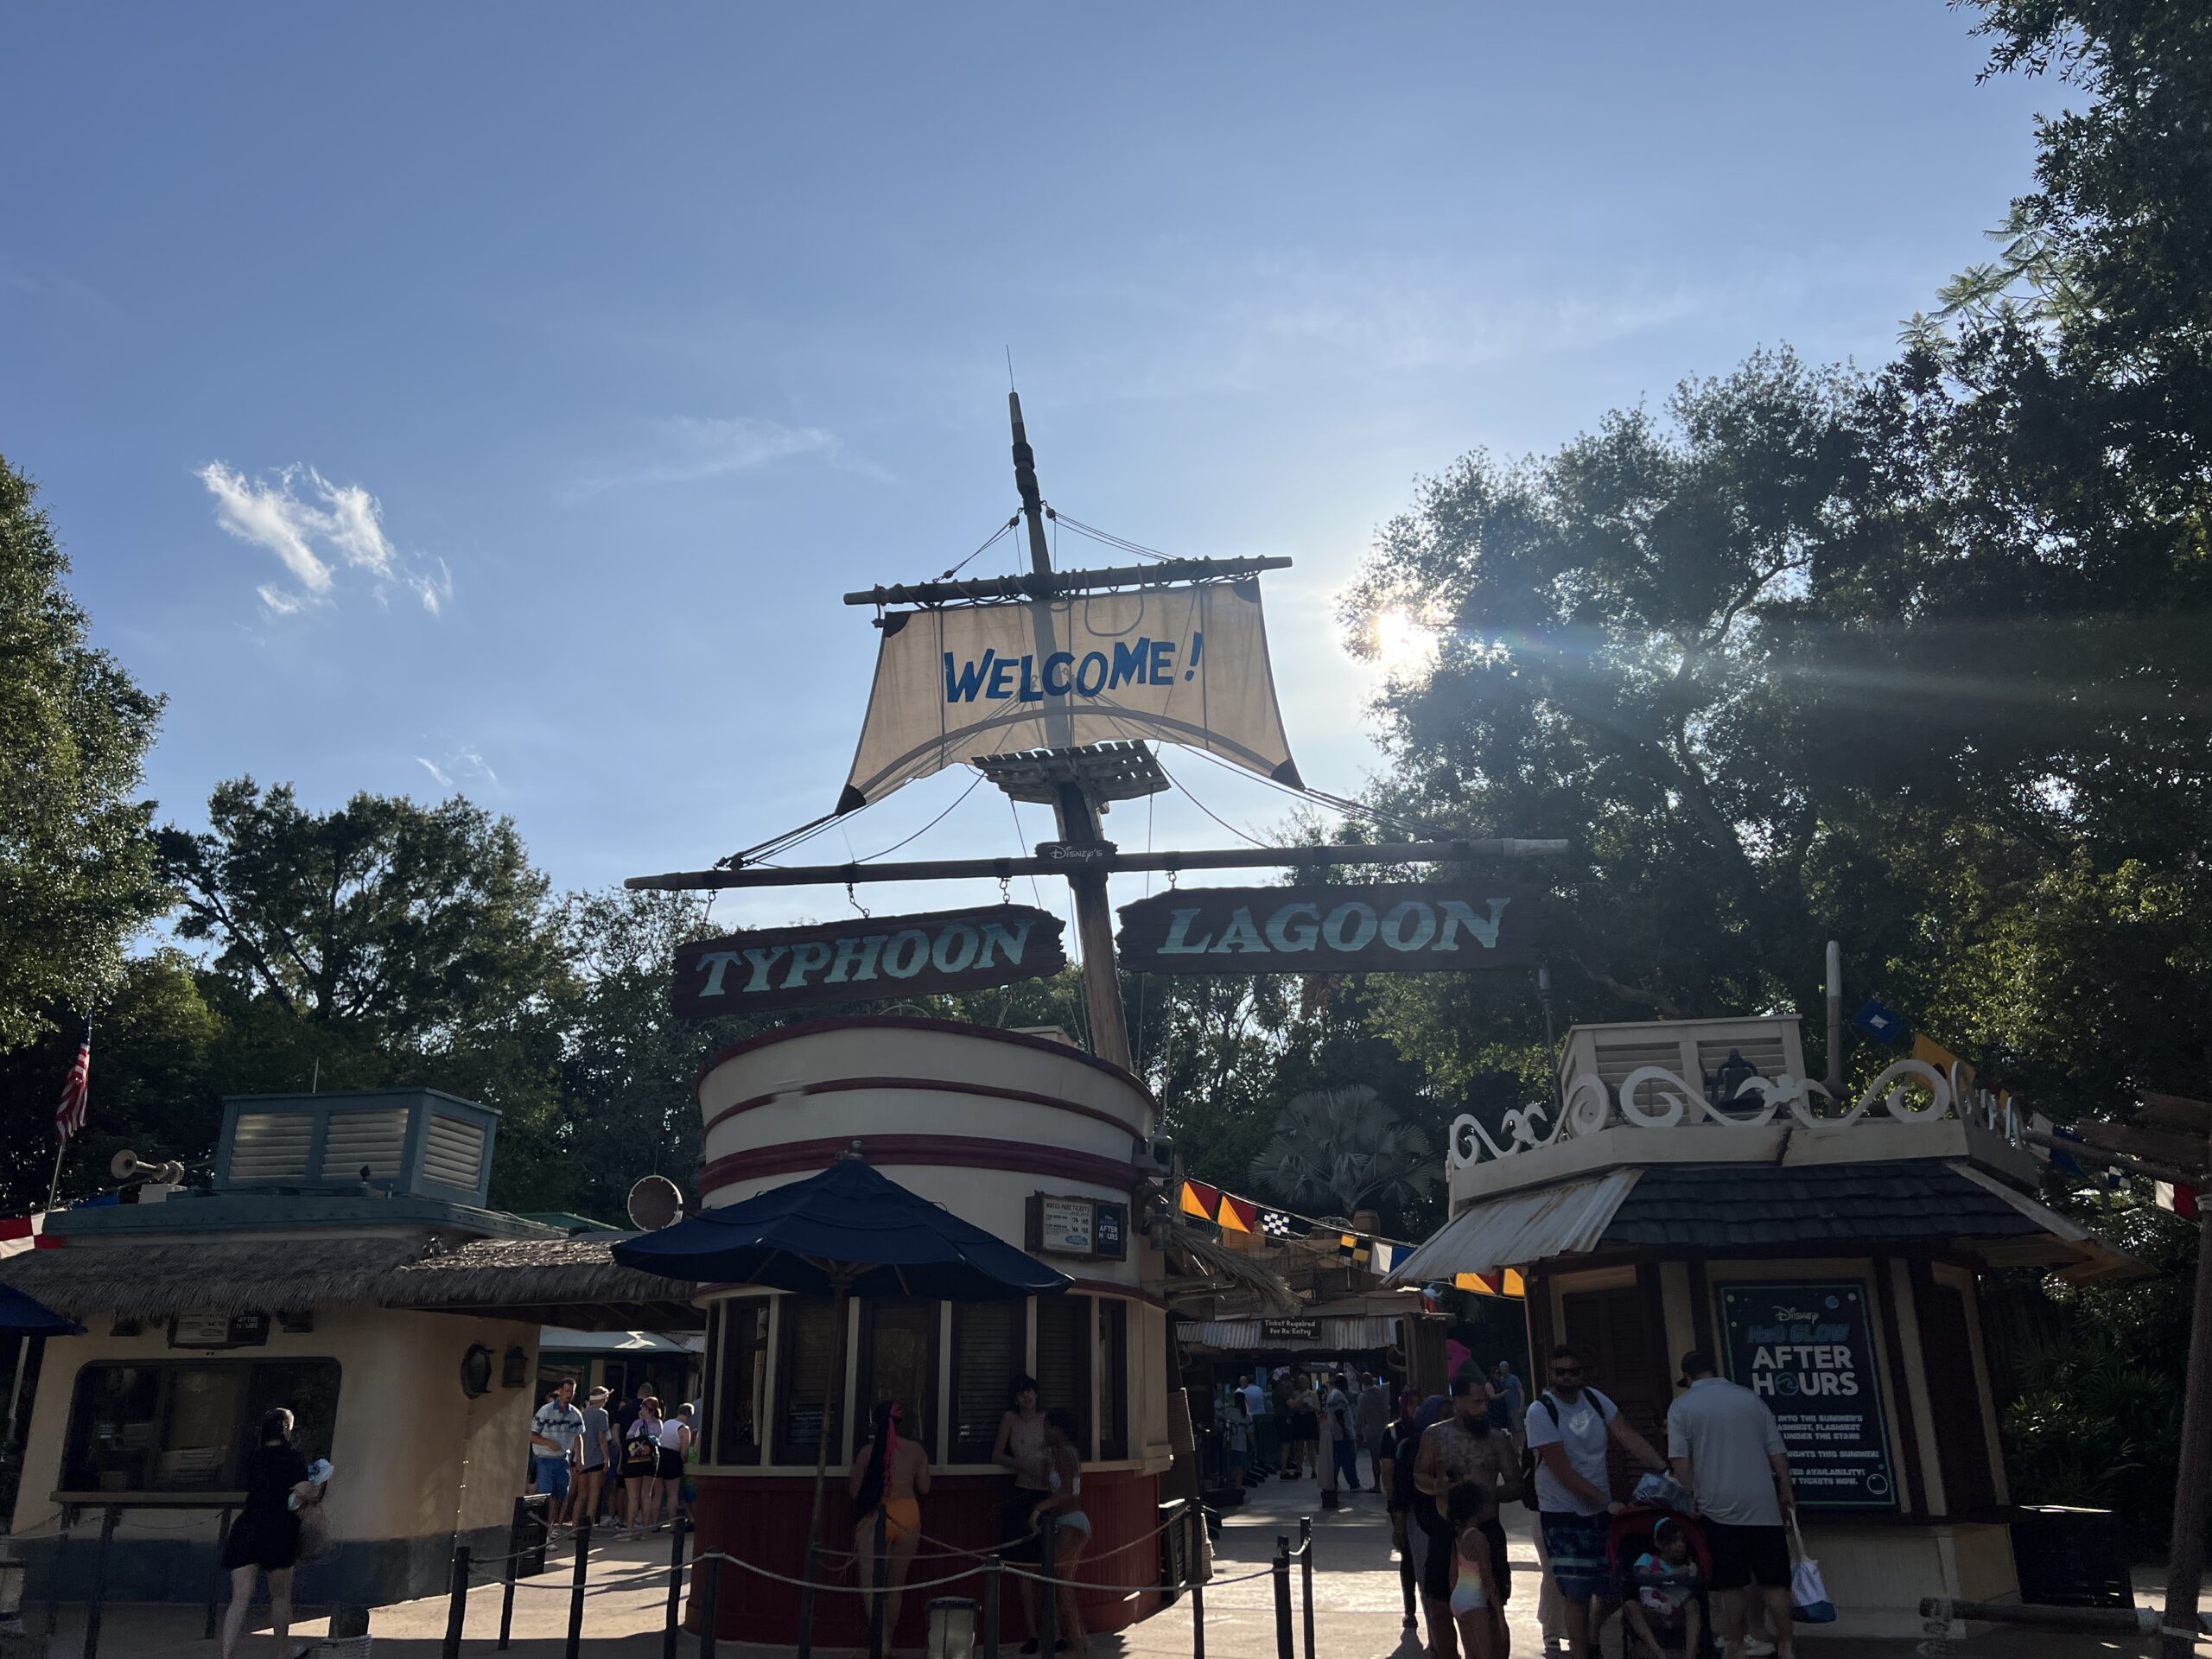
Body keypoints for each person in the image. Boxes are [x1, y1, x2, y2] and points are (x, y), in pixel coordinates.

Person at [1525, 1344, 1670, 1659]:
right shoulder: (1540, 1411)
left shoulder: (1594, 1399)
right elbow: (1561, 1469)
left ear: (1582, 1374)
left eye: (1572, 1372)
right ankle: (1581, 1653)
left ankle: (1592, 1636)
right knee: (1575, 1591)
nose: (1566, 1378)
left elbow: (1627, 1434)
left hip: (1600, 1508)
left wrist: (1665, 1470)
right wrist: (1606, 1502)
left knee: (1613, 1584)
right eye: (1559, 1373)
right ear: (1551, 1375)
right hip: (1562, 1511)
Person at [1665, 1351, 1796, 1659]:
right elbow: (1777, 1450)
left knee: (1731, 1583)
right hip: (1762, 1504)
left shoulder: (1682, 1407)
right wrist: (1785, 1489)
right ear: (1714, 1369)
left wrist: (1689, 1496)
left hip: (1717, 1506)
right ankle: (1787, 1645)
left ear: (1687, 1376)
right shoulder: (1749, 1399)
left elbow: (1680, 1461)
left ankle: (1736, 1643)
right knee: (1775, 1582)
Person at [1411, 1370, 1510, 1659]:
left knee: (1492, 1605)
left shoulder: (1496, 1439)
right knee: (1439, 1606)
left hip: (1486, 1527)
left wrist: (1486, 1494)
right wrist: (1439, 1485)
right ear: (1458, 1401)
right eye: (1477, 1402)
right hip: (1446, 1529)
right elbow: (1419, 1475)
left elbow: (1515, 1483)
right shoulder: (1435, 1435)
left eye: (1485, 1402)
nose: (1483, 1408)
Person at [219, 1408, 321, 1659]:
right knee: (280, 1596)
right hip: (278, 1530)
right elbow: (302, 1491)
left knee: (239, 1598)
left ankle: (226, 1654)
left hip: (247, 1526)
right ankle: (282, 1652)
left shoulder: (255, 1457)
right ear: (286, 1429)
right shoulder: (291, 1457)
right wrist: (316, 1485)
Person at [849, 1399, 932, 1641]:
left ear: (876, 1423)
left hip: (877, 1516)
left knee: (871, 1583)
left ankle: (879, 1642)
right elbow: (924, 1488)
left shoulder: (867, 1453)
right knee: (896, 1584)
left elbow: (855, 1493)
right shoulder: (916, 1450)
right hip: (908, 1515)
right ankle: (888, 1639)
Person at [1028, 1407, 1092, 1656]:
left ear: (1057, 1429)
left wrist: (1038, 1509)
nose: (1043, 1431)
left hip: (1071, 1522)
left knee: (1061, 1586)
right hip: (1067, 1522)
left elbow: (1067, 1492)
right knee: (1059, 1584)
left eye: (1047, 1427)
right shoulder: (1062, 1454)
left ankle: (1076, 1646)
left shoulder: (1066, 1454)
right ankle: (1082, 1638)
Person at [1624, 1516, 1705, 1659]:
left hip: (1677, 1613)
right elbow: (1642, 1578)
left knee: (1693, 1605)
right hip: (1652, 1612)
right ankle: (1659, 1654)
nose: (1680, 1546)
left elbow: (1694, 1582)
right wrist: (1672, 1577)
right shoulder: (1648, 1559)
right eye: (1673, 1541)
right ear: (1659, 1543)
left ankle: (1690, 1656)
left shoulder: (1687, 1567)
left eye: (1682, 1541)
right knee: (1630, 1606)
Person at [1446, 1480, 1504, 1659]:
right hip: (1475, 1601)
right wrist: (1499, 1614)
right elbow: (1486, 1577)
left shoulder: (1458, 1537)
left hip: (1458, 1598)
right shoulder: (1479, 1539)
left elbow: (1452, 1575)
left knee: (1471, 1654)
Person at [1383, 1389, 1427, 1633]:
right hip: (1405, 1503)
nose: (1415, 1410)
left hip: (1429, 1500)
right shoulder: (1392, 1433)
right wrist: (1394, 1508)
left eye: (1419, 1405)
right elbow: (1387, 1472)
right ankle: (1409, 1609)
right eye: (1411, 1405)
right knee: (1408, 1557)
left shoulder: (1429, 1432)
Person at [530, 1379, 585, 1526]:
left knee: (562, 1495)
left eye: (572, 1392)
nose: (569, 1395)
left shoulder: (575, 1414)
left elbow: (578, 1436)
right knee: (548, 1496)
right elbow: (532, 1435)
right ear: (560, 1391)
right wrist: (548, 1443)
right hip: (545, 1458)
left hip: (562, 1459)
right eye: (566, 1391)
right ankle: (546, 1529)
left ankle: (553, 1526)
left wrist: (580, 1457)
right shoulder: (546, 1411)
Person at [623, 1395, 665, 1531]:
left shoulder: (638, 1423)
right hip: (652, 1459)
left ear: (647, 1409)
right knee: (647, 1494)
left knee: (633, 1496)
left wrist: (641, 1420)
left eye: (643, 1407)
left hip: (636, 1459)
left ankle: (630, 1527)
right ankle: (646, 1528)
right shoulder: (659, 1423)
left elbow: (629, 1437)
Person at [578, 1385, 612, 1527]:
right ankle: (587, 1527)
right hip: (596, 1458)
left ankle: (575, 1526)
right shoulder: (601, 1414)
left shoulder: (582, 1414)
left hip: (582, 1457)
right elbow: (602, 1438)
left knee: (581, 1496)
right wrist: (606, 1458)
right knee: (593, 1495)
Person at [1323, 1371, 1360, 1492]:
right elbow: (1339, 1414)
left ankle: (1333, 1483)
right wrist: (1345, 1431)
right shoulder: (1338, 1395)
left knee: (1337, 1460)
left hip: (1336, 1433)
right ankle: (1354, 1484)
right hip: (1342, 1434)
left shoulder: (1332, 1394)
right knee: (1348, 1459)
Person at [660, 1401, 696, 1527]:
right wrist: (684, 1462)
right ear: (689, 1415)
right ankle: (673, 1524)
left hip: (660, 1456)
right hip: (673, 1458)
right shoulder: (684, 1429)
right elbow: (684, 1452)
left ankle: (653, 1523)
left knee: (658, 1493)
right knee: (673, 1493)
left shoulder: (667, 1423)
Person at [1357, 1371, 1393, 1493]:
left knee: (1375, 1459)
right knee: (1387, 1458)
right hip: (1385, 1428)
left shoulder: (1363, 1397)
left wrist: (1358, 1431)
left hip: (1371, 1430)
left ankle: (1377, 1484)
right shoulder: (1382, 1392)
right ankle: (1389, 1483)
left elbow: (1361, 1416)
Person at [1223, 1393, 1251, 1490]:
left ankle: (1233, 1484)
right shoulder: (1247, 1416)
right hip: (1241, 1444)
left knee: (1232, 1466)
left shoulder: (1229, 1412)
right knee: (1240, 1466)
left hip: (1230, 1444)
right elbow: (1250, 1433)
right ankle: (1238, 1486)